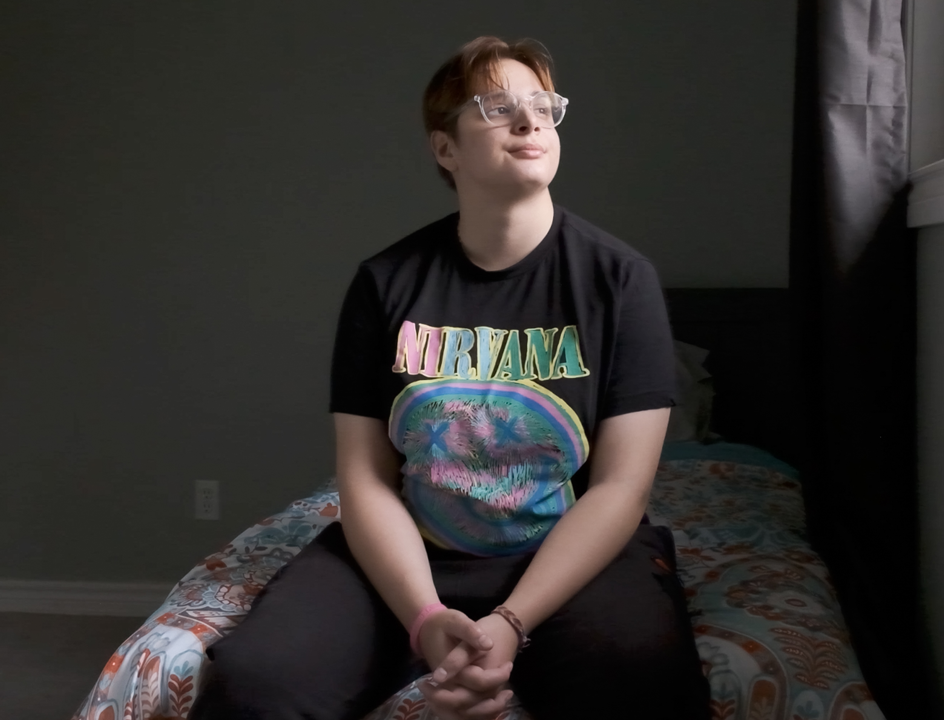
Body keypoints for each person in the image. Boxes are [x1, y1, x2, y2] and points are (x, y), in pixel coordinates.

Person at [188, 36, 710, 720]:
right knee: (256, 681)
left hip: (571, 556)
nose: (530, 123)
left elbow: (621, 487)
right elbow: (367, 478)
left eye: (543, 108)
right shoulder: (386, 283)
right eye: (498, 108)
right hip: (413, 553)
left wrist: (512, 623)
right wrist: (425, 616)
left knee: (640, 679)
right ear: (445, 149)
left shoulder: (620, 280)